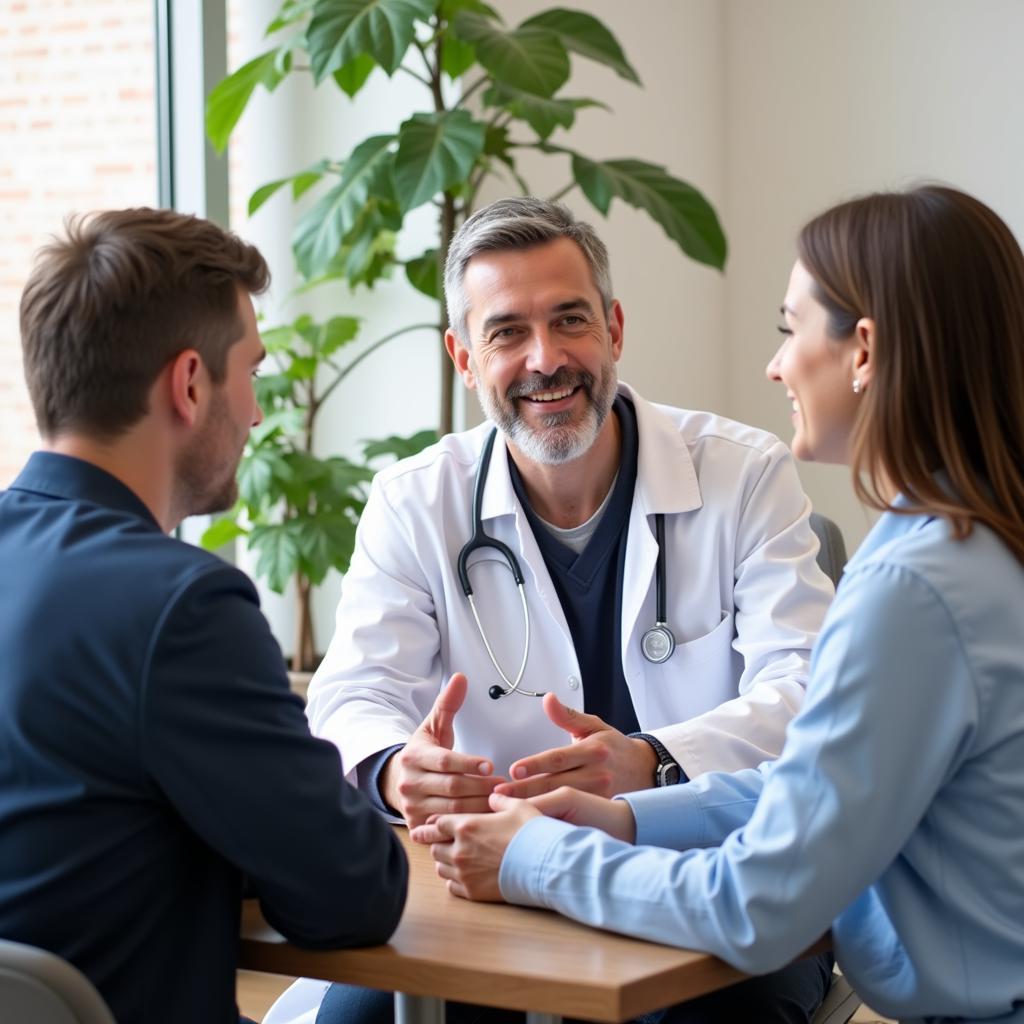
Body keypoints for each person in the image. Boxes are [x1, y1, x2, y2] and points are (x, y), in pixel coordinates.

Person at [414, 185, 1024, 1023]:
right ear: (465, 356)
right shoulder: (971, 544)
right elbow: (821, 785)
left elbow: (761, 901)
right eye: (508, 332)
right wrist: (630, 820)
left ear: (865, 350)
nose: (776, 365)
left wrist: (536, 856)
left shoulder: (915, 589)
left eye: (789, 329)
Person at [288, 197, 836, 1023]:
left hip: (707, 882)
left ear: (614, 329)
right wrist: (400, 770)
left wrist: (654, 762)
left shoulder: (743, 476)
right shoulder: (416, 502)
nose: (547, 359)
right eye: (507, 332)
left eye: (570, 320)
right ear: (464, 359)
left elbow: (808, 693)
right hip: (495, 892)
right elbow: (350, 694)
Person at [0, 208, 409, 1024]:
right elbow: (356, 895)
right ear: (190, 384)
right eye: (248, 372)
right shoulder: (179, 608)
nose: (256, 414)